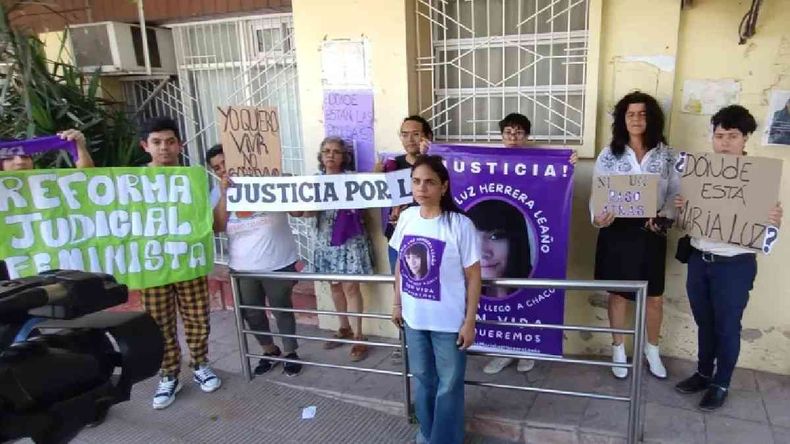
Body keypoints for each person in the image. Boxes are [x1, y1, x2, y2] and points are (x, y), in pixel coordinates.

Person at [673, 105, 783, 411]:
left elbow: (768, 231)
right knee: (704, 323)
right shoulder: (698, 174)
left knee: (727, 326)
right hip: (699, 260)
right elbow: (685, 224)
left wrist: (775, 219)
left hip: (734, 266)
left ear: (745, 138)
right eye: (719, 135)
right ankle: (703, 373)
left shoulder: (759, 179)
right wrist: (682, 208)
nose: (724, 142)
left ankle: (721, 382)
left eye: (732, 136)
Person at [390, 155, 481, 444]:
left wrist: (469, 321)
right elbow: (399, 265)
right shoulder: (406, 217)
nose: (422, 188)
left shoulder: (459, 224)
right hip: (415, 319)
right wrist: (397, 303)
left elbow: (474, 276)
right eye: (416, 181)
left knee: (449, 385)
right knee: (423, 380)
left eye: (429, 182)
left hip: (449, 322)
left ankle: (447, 439)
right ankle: (427, 433)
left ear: (444, 186)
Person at [591, 92, 678, 380]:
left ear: (651, 118)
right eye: (631, 114)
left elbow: (675, 195)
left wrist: (664, 218)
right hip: (617, 232)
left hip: (651, 232)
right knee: (618, 295)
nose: (637, 119)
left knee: (654, 297)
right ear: (622, 119)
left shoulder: (667, 155)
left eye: (643, 114)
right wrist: (598, 217)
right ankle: (618, 348)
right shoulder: (609, 154)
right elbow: (597, 194)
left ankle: (652, 350)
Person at [138, 117, 221, 410]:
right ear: (145, 146)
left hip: (189, 262)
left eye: (170, 141)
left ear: (179, 145)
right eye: (157, 142)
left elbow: (208, 221)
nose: (164, 148)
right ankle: (169, 375)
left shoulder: (194, 178)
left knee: (198, 317)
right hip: (153, 266)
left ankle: (200, 364)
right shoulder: (132, 181)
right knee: (159, 323)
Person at [209, 144, 303, 377]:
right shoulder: (217, 192)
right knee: (250, 312)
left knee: (282, 310)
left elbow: (299, 212)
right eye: (217, 168)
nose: (222, 170)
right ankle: (269, 351)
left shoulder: (269, 181)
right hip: (242, 267)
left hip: (277, 262)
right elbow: (217, 227)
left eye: (225, 164)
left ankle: (291, 353)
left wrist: (285, 184)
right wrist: (223, 195)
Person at [304, 137, 375, 362]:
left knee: (351, 287)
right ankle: (343, 326)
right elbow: (307, 213)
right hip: (324, 241)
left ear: (344, 156)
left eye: (336, 151)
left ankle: (358, 337)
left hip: (349, 241)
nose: (330, 155)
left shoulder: (352, 180)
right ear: (321, 155)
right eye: (326, 151)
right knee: (334, 286)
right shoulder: (314, 181)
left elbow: (368, 200)